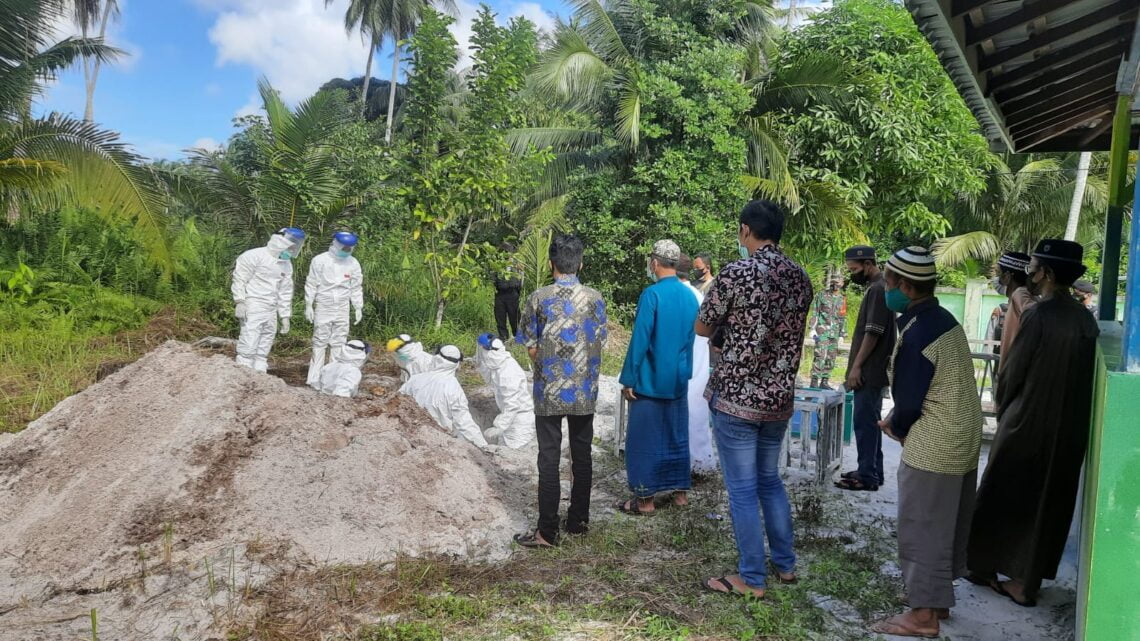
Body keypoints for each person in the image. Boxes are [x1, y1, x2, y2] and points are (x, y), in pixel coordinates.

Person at [967, 239, 1100, 608]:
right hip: (1068, 429)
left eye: (1037, 265)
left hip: (1027, 421)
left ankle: (985, 568)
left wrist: (1005, 408)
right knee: (1049, 502)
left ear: (1048, 273)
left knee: (999, 492)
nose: (1031, 271)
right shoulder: (1084, 320)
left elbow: (1012, 374)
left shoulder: (1039, 316)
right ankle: (1027, 582)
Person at [695, 199, 812, 597]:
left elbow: (702, 326)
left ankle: (751, 578)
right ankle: (785, 565)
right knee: (770, 481)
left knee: (743, 490)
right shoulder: (800, 276)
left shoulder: (737, 273)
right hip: (778, 399)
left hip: (736, 398)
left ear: (746, 229)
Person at [871, 246, 983, 639]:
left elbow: (910, 402)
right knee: (946, 523)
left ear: (906, 285)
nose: (886, 287)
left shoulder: (918, 332)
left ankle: (923, 616)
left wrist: (894, 425)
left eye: (889, 280)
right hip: (961, 436)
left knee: (922, 527)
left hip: (935, 443)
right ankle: (937, 601)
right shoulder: (943, 319)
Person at [513, 234, 607, 548]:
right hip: (584, 392)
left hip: (549, 392)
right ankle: (579, 521)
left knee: (549, 459)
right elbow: (599, 340)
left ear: (551, 264)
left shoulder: (538, 298)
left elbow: (530, 345)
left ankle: (547, 531)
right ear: (580, 263)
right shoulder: (595, 298)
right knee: (582, 456)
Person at [616, 240, 700, 515]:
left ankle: (645, 500)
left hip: (650, 382)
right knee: (676, 437)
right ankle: (680, 495)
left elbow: (640, 339)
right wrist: (684, 373)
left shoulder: (652, 295)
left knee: (644, 440)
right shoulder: (689, 296)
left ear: (655, 263)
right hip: (676, 380)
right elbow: (690, 340)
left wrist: (629, 377)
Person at [835, 245, 896, 492]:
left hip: (868, 372)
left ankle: (867, 476)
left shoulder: (878, 291)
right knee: (871, 421)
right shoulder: (879, 288)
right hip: (873, 370)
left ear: (869, 264)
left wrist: (856, 367)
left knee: (865, 423)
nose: (853, 274)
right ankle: (872, 470)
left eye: (855, 269)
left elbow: (873, 332)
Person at [231, 227, 305, 373]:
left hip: (271, 308)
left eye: (294, 248)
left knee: (265, 342)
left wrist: (284, 316)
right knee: (249, 340)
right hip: (254, 304)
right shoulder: (254, 255)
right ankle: (243, 372)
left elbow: (285, 291)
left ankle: (260, 375)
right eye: (289, 247)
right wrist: (240, 301)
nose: (291, 251)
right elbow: (240, 279)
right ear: (279, 241)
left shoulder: (286, 264)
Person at [304, 232, 365, 388]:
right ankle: (314, 378)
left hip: (343, 306)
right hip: (324, 303)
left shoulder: (353, 263)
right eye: (343, 247)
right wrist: (309, 304)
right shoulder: (320, 260)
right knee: (320, 341)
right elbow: (311, 283)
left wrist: (358, 306)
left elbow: (356, 287)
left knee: (339, 341)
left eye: (349, 248)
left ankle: (332, 378)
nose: (346, 250)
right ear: (336, 244)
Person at [399, 345, 488, 448]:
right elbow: (464, 423)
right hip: (440, 441)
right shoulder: (454, 389)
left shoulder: (414, 380)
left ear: (437, 358)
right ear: (456, 364)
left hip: (410, 435)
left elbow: (397, 401)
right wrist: (483, 446)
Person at [678, 255, 716, 476]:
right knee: (697, 415)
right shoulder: (698, 296)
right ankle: (700, 463)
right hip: (699, 362)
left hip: (684, 363)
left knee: (687, 414)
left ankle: (690, 464)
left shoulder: (679, 296)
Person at [474, 333, 536, 449]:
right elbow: (488, 377)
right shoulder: (498, 365)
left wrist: (499, 426)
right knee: (503, 449)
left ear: (489, 352)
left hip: (520, 421)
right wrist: (480, 362)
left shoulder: (507, 373)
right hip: (509, 418)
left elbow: (512, 405)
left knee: (514, 453)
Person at [992, 251, 1035, 371]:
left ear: (1007, 276)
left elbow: (1037, 315)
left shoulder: (1020, 294)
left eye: (999, 273)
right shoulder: (1017, 298)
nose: (997, 278)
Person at [809, 274, 844, 389]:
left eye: (838, 283)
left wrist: (842, 334)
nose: (835, 286)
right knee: (819, 355)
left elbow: (843, 317)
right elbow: (815, 311)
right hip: (821, 332)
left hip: (835, 332)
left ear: (842, 284)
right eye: (834, 283)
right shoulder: (821, 295)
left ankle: (824, 381)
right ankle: (814, 381)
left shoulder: (842, 299)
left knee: (831, 357)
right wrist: (812, 328)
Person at [493, 244, 523, 342]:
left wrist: (518, 290)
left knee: (515, 317)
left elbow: (522, 279)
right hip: (500, 294)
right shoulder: (497, 264)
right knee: (500, 316)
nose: (506, 255)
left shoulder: (517, 264)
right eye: (504, 252)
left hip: (513, 294)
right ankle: (503, 337)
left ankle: (517, 336)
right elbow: (493, 278)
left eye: (508, 252)